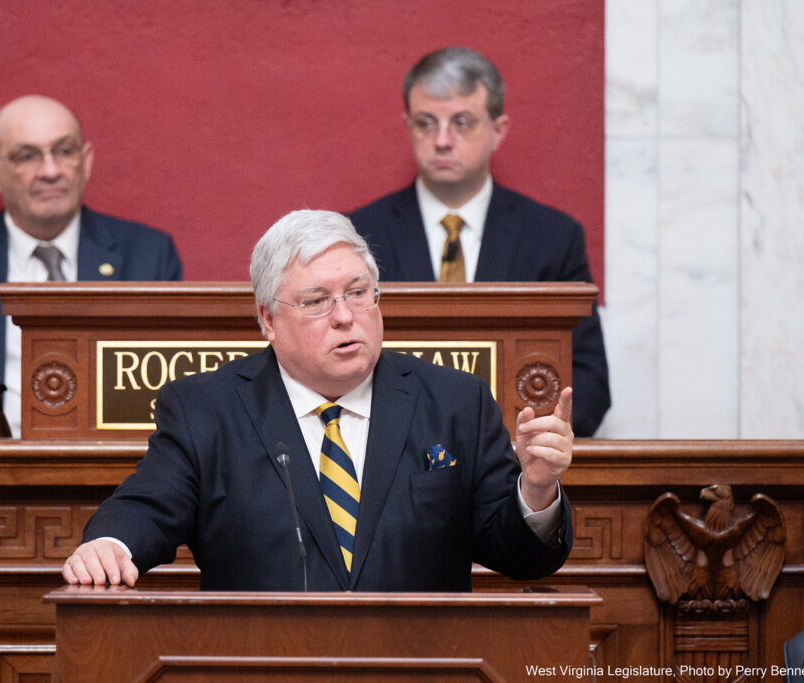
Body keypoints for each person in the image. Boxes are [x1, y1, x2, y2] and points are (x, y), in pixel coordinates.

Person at [62, 209, 573, 591]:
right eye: (316, 302)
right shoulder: (206, 411)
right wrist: (110, 545)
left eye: (358, 292)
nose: (345, 316)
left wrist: (537, 489)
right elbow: (147, 506)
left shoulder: (454, 402)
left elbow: (520, 558)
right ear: (267, 319)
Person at [349, 46, 610, 437]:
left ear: (498, 130)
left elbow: (590, 384)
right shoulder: (359, 236)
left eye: (462, 122)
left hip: (513, 463)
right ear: (408, 126)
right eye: (426, 122)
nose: (441, 140)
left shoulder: (552, 237)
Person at [0, 95, 182, 437]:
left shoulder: (148, 255)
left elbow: (169, 399)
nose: (50, 171)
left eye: (64, 151)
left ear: (86, 161)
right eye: (27, 156)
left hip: (113, 477)